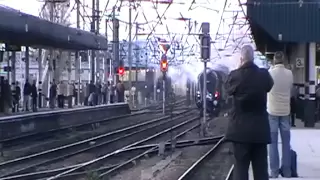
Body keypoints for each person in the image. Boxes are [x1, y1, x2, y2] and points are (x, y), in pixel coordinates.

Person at [225, 45, 274, 180]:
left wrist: (239, 68)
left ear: (241, 59)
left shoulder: (234, 76)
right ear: (253, 58)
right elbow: (270, 85)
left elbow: (228, 89)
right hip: (259, 131)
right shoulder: (264, 75)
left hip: (240, 131)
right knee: (261, 170)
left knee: (240, 169)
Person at [267, 51, 293, 178]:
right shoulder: (289, 74)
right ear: (284, 60)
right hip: (285, 112)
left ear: (274, 60)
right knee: (286, 143)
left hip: (272, 112)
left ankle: (274, 172)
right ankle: (287, 172)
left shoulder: (270, 73)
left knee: (273, 144)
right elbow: (290, 87)